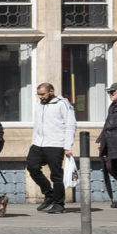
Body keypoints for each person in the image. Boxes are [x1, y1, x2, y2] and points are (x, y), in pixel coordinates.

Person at [27, 81, 75, 212]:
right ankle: (49, 194)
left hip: (55, 144)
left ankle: (59, 204)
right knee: (32, 167)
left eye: (43, 94)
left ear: (51, 91)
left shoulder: (63, 104)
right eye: (38, 95)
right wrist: (34, 140)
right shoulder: (39, 105)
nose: (40, 97)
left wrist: (67, 146)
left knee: (56, 175)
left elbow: (70, 125)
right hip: (38, 143)